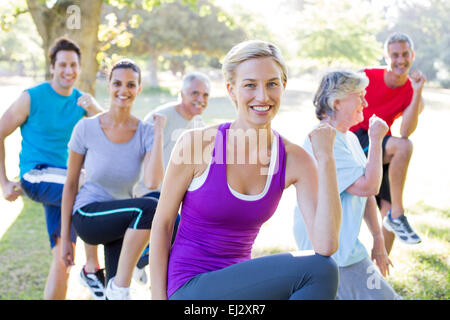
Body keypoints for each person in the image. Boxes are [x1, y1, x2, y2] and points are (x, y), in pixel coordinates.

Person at [149, 40, 342, 300]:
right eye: (250, 85)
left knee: (323, 269)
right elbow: (162, 225)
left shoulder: (295, 159)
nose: (262, 96)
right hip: (189, 290)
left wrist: (326, 158)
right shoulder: (197, 145)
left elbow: (325, 244)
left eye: (272, 84)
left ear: (283, 87)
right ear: (231, 90)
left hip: (240, 296)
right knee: (320, 271)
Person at [0, 37, 104, 300]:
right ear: (52, 67)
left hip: (64, 185)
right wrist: (3, 183)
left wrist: (94, 108)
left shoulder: (82, 102)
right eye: (63, 65)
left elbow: (111, 129)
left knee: (62, 257)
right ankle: (92, 269)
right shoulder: (31, 98)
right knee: (89, 186)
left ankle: (82, 271)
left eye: (73, 65)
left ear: (80, 68)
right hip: (37, 175)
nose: (68, 71)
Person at [60, 59, 166, 300]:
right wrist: (67, 238)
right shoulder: (85, 128)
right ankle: (120, 288)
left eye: (131, 85)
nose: (123, 90)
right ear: (108, 85)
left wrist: (159, 133)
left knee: (159, 201)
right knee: (152, 206)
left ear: (139, 89)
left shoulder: (145, 132)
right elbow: (70, 184)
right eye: (117, 83)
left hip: (124, 223)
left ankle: (116, 289)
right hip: (89, 215)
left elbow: (151, 181)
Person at [293, 70, 402, 299]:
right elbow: (369, 186)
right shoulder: (323, 138)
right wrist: (375, 140)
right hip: (328, 253)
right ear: (337, 101)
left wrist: (378, 240)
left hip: (345, 249)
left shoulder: (349, 138)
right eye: (359, 96)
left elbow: (367, 196)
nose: (365, 102)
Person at [350, 32, 426, 253]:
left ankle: (379, 272)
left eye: (405, 54)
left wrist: (418, 91)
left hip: (379, 143)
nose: (400, 60)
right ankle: (399, 215)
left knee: (387, 212)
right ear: (386, 57)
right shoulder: (366, 76)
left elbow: (406, 130)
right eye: (395, 55)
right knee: (403, 147)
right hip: (356, 140)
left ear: (412, 55)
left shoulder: (412, 89)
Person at [132, 72, 210, 284]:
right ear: (181, 93)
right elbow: (137, 156)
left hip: (177, 191)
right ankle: (143, 260)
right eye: (195, 93)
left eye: (205, 95)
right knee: (174, 225)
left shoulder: (199, 123)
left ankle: (146, 260)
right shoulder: (160, 118)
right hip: (149, 189)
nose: (200, 99)